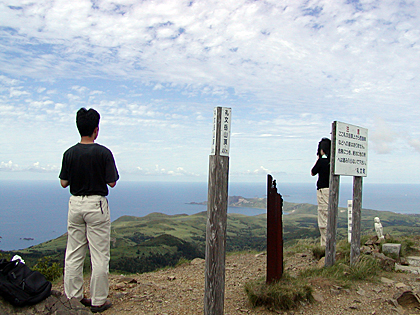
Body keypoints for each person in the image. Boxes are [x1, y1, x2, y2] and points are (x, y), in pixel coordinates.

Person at [59, 108, 119, 313]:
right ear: (96, 130)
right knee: (99, 255)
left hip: (75, 204)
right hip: (96, 205)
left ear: (78, 128)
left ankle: (73, 298)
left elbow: (63, 183)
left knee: (74, 253)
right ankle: (98, 300)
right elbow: (112, 182)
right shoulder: (104, 152)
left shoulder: (69, 153)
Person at [311, 138, 331, 247]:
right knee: (329, 216)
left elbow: (313, 172)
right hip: (332, 191)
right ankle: (329, 244)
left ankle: (325, 247)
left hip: (323, 191)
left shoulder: (322, 161)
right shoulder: (332, 161)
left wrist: (319, 158)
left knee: (323, 219)